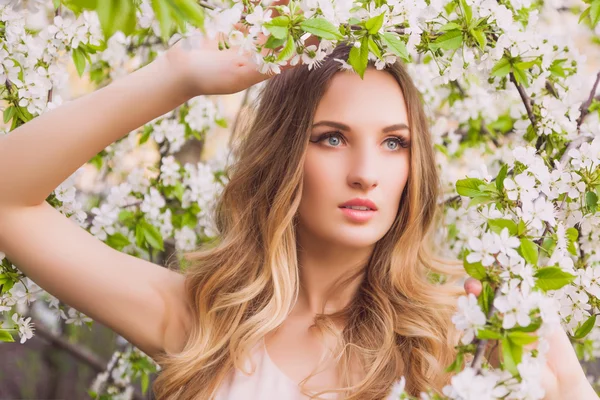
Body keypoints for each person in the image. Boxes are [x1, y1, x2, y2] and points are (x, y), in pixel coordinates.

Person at [0, 28, 596, 400]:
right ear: (284, 157)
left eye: (394, 142)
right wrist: (178, 76)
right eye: (332, 138)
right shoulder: (203, 323)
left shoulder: (458, 337)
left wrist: (564, 386)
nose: (366, 170)